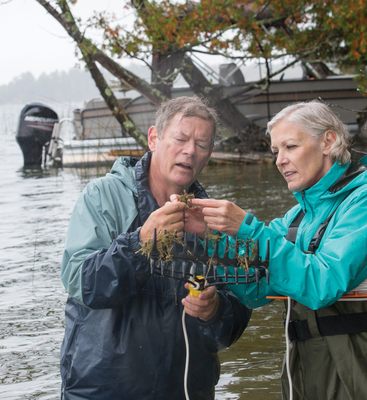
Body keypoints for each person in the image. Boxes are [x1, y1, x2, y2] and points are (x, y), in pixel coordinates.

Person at [59, 96, 252, 400]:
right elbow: (83, 284)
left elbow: (232, 324)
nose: (190, 150)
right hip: (104, 389)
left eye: (202, 144)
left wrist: (215, 310)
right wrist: (141, 243)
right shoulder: (102, 196)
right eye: (180, 138)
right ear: (154, 138)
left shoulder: (214, 218)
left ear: (210, 154)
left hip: (188, 391)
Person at [188, 101, 367, 400]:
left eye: (290, 146)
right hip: (304, 373)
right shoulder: (297, 217)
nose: (280, 160)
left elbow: (324, 283)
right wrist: (212, 240)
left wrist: (248, 229)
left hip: (355, 372)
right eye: (275, 152)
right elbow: (256, 292)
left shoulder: (361, 203)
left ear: (328, 141)